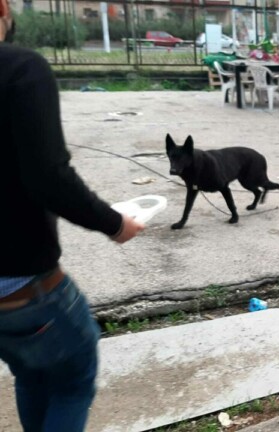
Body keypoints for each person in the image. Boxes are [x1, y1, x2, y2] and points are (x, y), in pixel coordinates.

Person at [0, 2, 145, 430]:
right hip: (25, 288)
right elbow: (49, 176)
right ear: (4, 8)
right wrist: (117, 224)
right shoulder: (20, 69)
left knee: (31, 374)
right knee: (72, 383)